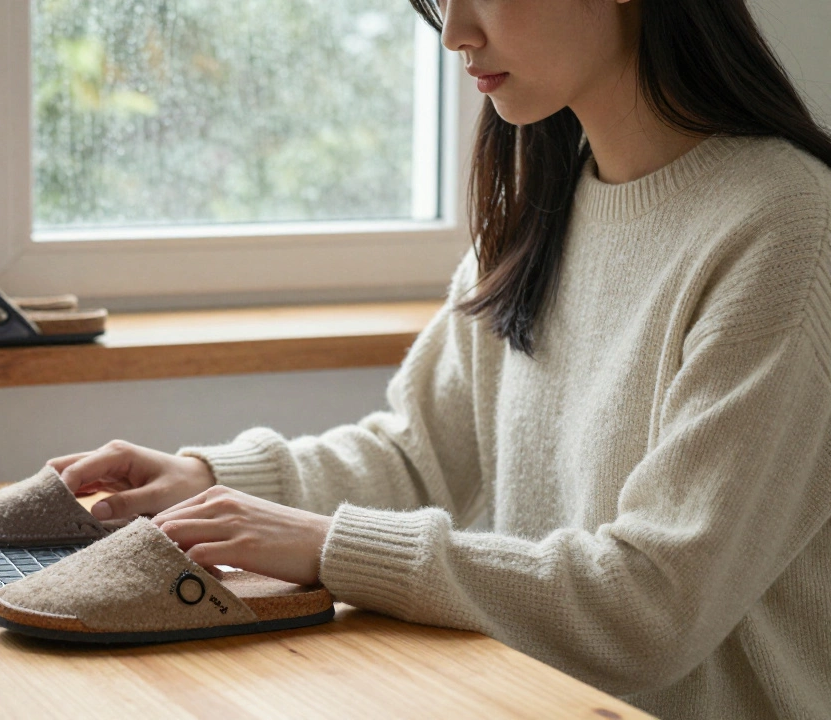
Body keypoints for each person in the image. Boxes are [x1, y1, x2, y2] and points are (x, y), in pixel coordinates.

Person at [45, 0, 831, 717]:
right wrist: (216, 483)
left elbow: (653, 608)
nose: (455, 31)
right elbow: (424, 454)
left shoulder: (789, 232)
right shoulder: (541, 194)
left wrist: (327, 547)